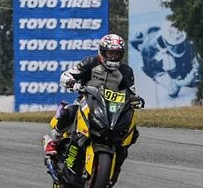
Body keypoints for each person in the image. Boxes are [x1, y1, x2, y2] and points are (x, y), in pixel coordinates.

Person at [42, 33, 144, 172]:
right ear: (102, 52)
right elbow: (66, 75)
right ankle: (53, 141)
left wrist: (135, 99)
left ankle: (115, 163)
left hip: (112, 108)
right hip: (87, 101)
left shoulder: (126, 71)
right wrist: (71, 82)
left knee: (131, 130)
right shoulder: (90, 62)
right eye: (110, 53)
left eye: (117, 54)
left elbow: (131, 92)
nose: (113, 57)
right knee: (70, 112)